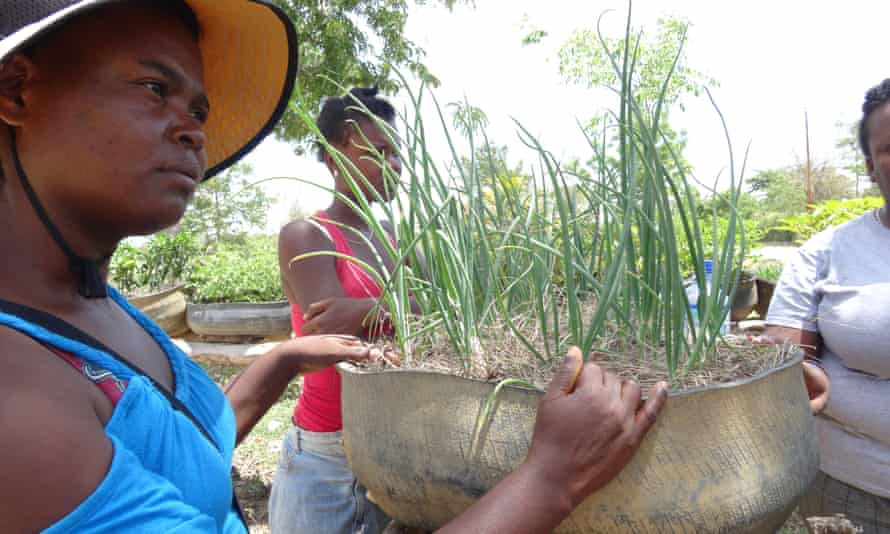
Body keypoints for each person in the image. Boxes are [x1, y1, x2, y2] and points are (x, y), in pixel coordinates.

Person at [0, 1, 667, 533]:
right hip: (324, 450)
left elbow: (187, 447)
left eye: (199, 109)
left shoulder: (102, 310)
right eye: (155, 88)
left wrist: (283, 359)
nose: (192, 128)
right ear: (15, 90)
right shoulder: (17, 400)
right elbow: (356, 314)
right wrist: (551, 478)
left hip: (386, 441)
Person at [271, 87, 412, 533]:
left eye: (397, 152)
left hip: (398, 451)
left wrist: (365, 310)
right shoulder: (306, 235)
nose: (394, 165)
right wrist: (406, 308)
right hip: (327, 456)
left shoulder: (398, 239)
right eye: (379, 151)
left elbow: (448, 309)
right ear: (335, 159)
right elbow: (329, 332)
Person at [765, 79, 890, 533]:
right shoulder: (827, 251)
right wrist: (785, 364)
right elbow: (782, 354)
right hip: (850, 490)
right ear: (871, 166)